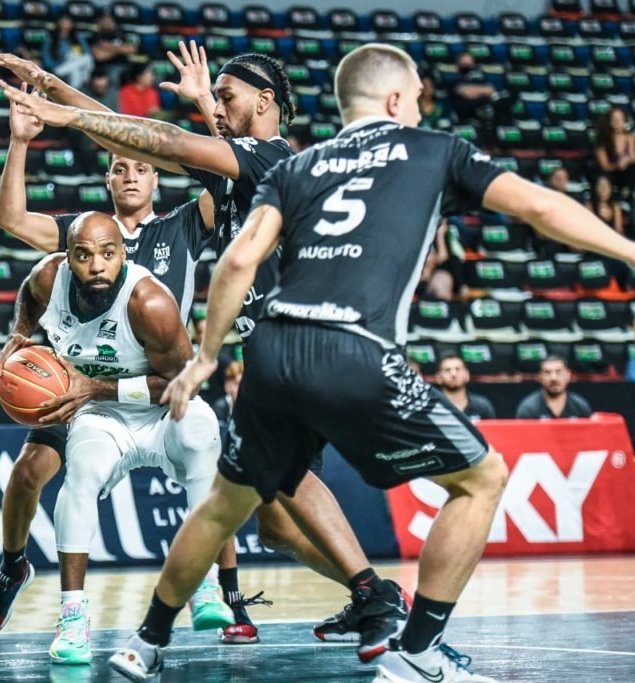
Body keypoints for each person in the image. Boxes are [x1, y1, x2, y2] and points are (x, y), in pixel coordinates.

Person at [107, 43, 635, 683]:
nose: (419, 106)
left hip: (271, 352)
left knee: (226, 506)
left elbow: (239, 260)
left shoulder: (302, 168)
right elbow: (541, 207)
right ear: (395, 100)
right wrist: (627, 250)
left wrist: (208, 356)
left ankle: (145, 642)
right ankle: (417, 650)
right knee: (483, 479)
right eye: (415, 95)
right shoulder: (435, 149)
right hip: (354, 346)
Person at [0, 42, 408, 661]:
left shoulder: (266, 156)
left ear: (264, 102)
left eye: (226, 97)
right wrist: (54, 87)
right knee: (271, 520)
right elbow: (140, 141)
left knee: (283, 473)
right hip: (283, 339)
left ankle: (372, 592)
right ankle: (375, 594)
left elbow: (160, 142)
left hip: (300, 332)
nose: (216, 106)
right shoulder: (242, 167)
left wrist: (72, 117)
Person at [0, 68, 259, 645]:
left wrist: (209, 105)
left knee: (208, 460)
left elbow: (230, 171)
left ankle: (228, 597)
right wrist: (20, 141)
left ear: (157, 178)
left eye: (141, 166)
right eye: (120, 166)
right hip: (83, 381)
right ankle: (12, 567)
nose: (131, 174)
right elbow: (11, 224)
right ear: (107, 177)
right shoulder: (83, 234)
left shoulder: (184, 224)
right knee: (31, 471)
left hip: (157, 384)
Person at [0, 211, 229, 665]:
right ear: (69, 258)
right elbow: (29, 295)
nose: (96, 265)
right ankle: (73, 619)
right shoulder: (49, 277)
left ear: (122, 254)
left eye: (107, 253)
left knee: (201, 435)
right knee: (79, 474)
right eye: (83, 255)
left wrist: (94, 387)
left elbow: (185, 383)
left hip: (162, 410)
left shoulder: (149, 303)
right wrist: (19, 335)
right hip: (102, 416)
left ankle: (205, 581)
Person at [515, 356, 593, 419]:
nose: (553, 378)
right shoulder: (528, 409)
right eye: (547, 373)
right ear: (540, 377)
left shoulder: (580, 406)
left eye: (558, 372)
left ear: (568, 375)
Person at [435, 355, 496, 421]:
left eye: (458, 369)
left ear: (467, 375)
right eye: (447, 370)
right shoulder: (431, 407)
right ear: (439, 378)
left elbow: (493, 430)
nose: (453, 374)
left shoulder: (482, 406)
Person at [41, 15, 93, 89]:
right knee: (76, 67)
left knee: (84, 59)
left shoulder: (78, 37)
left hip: (75, 64)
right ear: (58, 22)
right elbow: (46, 56)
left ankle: (63, 72)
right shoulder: (51, 38)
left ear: (72, 24)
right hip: (59, 65)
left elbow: (86, 52)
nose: (65, 23)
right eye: (63, 21)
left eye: (68, 21)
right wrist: (52, 67)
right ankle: (82, 83)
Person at [593, 106, 635, 197]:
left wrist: (627, 159)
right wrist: (617, 165)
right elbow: (605, 165)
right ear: (610, 122)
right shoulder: (602, 139)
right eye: (615, 120)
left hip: (627, 172)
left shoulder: (630, 137)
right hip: (611, 172)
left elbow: (632, 156)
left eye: (620, 120)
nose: (618, 123)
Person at [211, 359, 242, 427]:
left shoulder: (251, 408)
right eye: (237, 384)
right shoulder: (219, 409)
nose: (242, 388)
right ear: (227, 386)